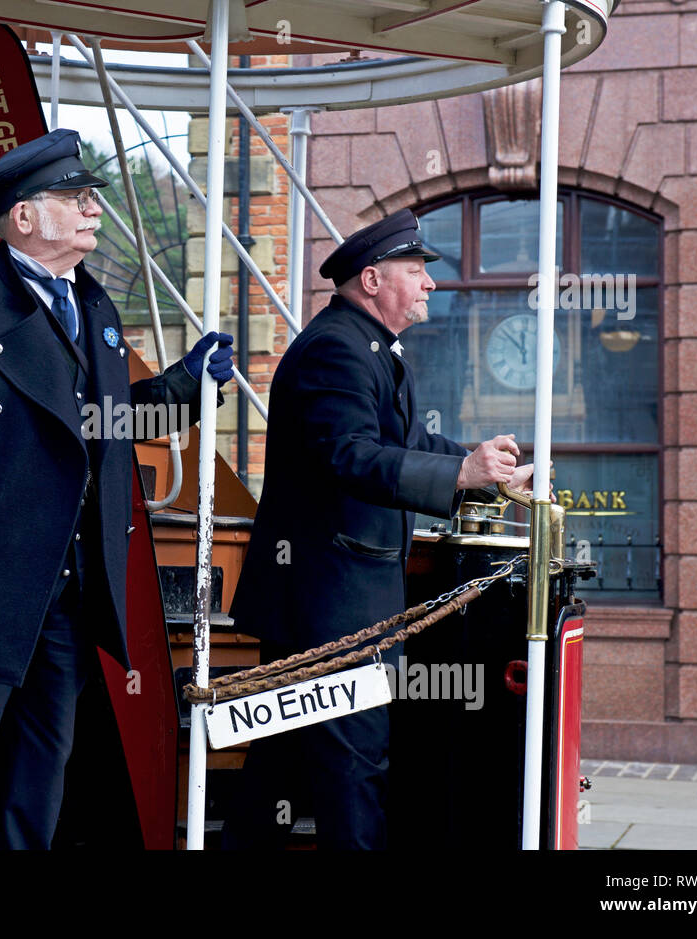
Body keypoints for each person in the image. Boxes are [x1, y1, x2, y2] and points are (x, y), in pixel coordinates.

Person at [0, 128, 235, 849]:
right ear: (22, 216)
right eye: (74, 198)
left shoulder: (97, 308)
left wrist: (187, 388)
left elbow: (105, 420)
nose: (93, 210)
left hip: (74, 582)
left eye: (91, 198)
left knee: (42, 766)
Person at [222, 208, 534, 850]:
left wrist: (487, 470)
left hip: (329, 598)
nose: (430, 285)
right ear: (371, 279)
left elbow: (406, 441)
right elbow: (350, 454)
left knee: (285, 765)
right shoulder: (337, 351)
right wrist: (459, 475)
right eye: (416, 271)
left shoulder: (366, 347)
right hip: (330, 603)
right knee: (354, 764)